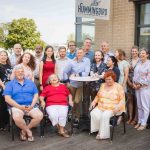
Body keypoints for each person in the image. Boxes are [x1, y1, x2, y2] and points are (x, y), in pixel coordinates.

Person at [3, 65, 43, 141]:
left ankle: (23, 131)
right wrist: (19, 106)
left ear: (24, 73)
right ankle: (28, 131)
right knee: (17, 117)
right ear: (14, 73)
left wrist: (32, 105)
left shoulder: (31, 83)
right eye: (18, 72)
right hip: (16, 106)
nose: (20, 73)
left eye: (22, 71)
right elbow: (7, 99)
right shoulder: (10, 84)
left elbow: (36, 95)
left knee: (39, 115)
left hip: (30, 105)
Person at [90, 70, 125, 140]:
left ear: (113, 78)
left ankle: (102, 134)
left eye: (109, 79)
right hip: (101, 106)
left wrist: (117, 107)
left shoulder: (119, 87)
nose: (108, 81)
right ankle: (98, 128)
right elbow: (98, 96)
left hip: (113, 107)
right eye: (106, 79)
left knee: (104, 115)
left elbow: (122, 100)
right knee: (93, 113)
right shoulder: (102, 85)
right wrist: (94, 101)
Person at [64, 48, 90, 119]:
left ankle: (74, 114)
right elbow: (65, 72)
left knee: (77, 100)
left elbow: (87, 72)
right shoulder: (72, 62)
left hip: (81, 85)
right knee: (72, 101)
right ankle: (75, 117)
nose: (79, 54)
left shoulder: (87, 61)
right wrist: (67, 82)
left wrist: (77, 74)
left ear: (84, 54)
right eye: (78, 53)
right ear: (76, 54)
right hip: (72, 84)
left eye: (81, 53)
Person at [133, 48, 150, 130]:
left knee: (145, 106)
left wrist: (140, 84)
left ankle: (144, 123)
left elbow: (149, 78)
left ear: (147, 55)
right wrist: (134, 83)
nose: (141, 55)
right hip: (137, 88)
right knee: (139, 106)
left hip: (145, 88)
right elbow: (135, 74)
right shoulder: (139, 62)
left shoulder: (149, 64)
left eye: (143, 53)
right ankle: (139, 121)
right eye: (141, 53)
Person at [126, 46, 139, 125]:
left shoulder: (140, 61)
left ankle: (135, 118)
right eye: (132, 51)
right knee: (130, 101)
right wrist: (129, 82)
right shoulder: (128, 61)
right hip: (129, 83)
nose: (134, 52)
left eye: (135, 51)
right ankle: (130, 117)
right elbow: (126, 73)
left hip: (137, 85)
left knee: (137, 102)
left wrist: (136, 84)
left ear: (138, 52)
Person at [0, 51, 12, 130]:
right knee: (1, 106)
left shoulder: (10, 66)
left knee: (7, 105)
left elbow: (11, 78)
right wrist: (3, 86)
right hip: (1, 87)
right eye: (2, 55)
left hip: (9, 88)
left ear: (7, 57)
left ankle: (7, 123)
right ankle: (1, 125)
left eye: (5, 55)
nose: (3, 56)